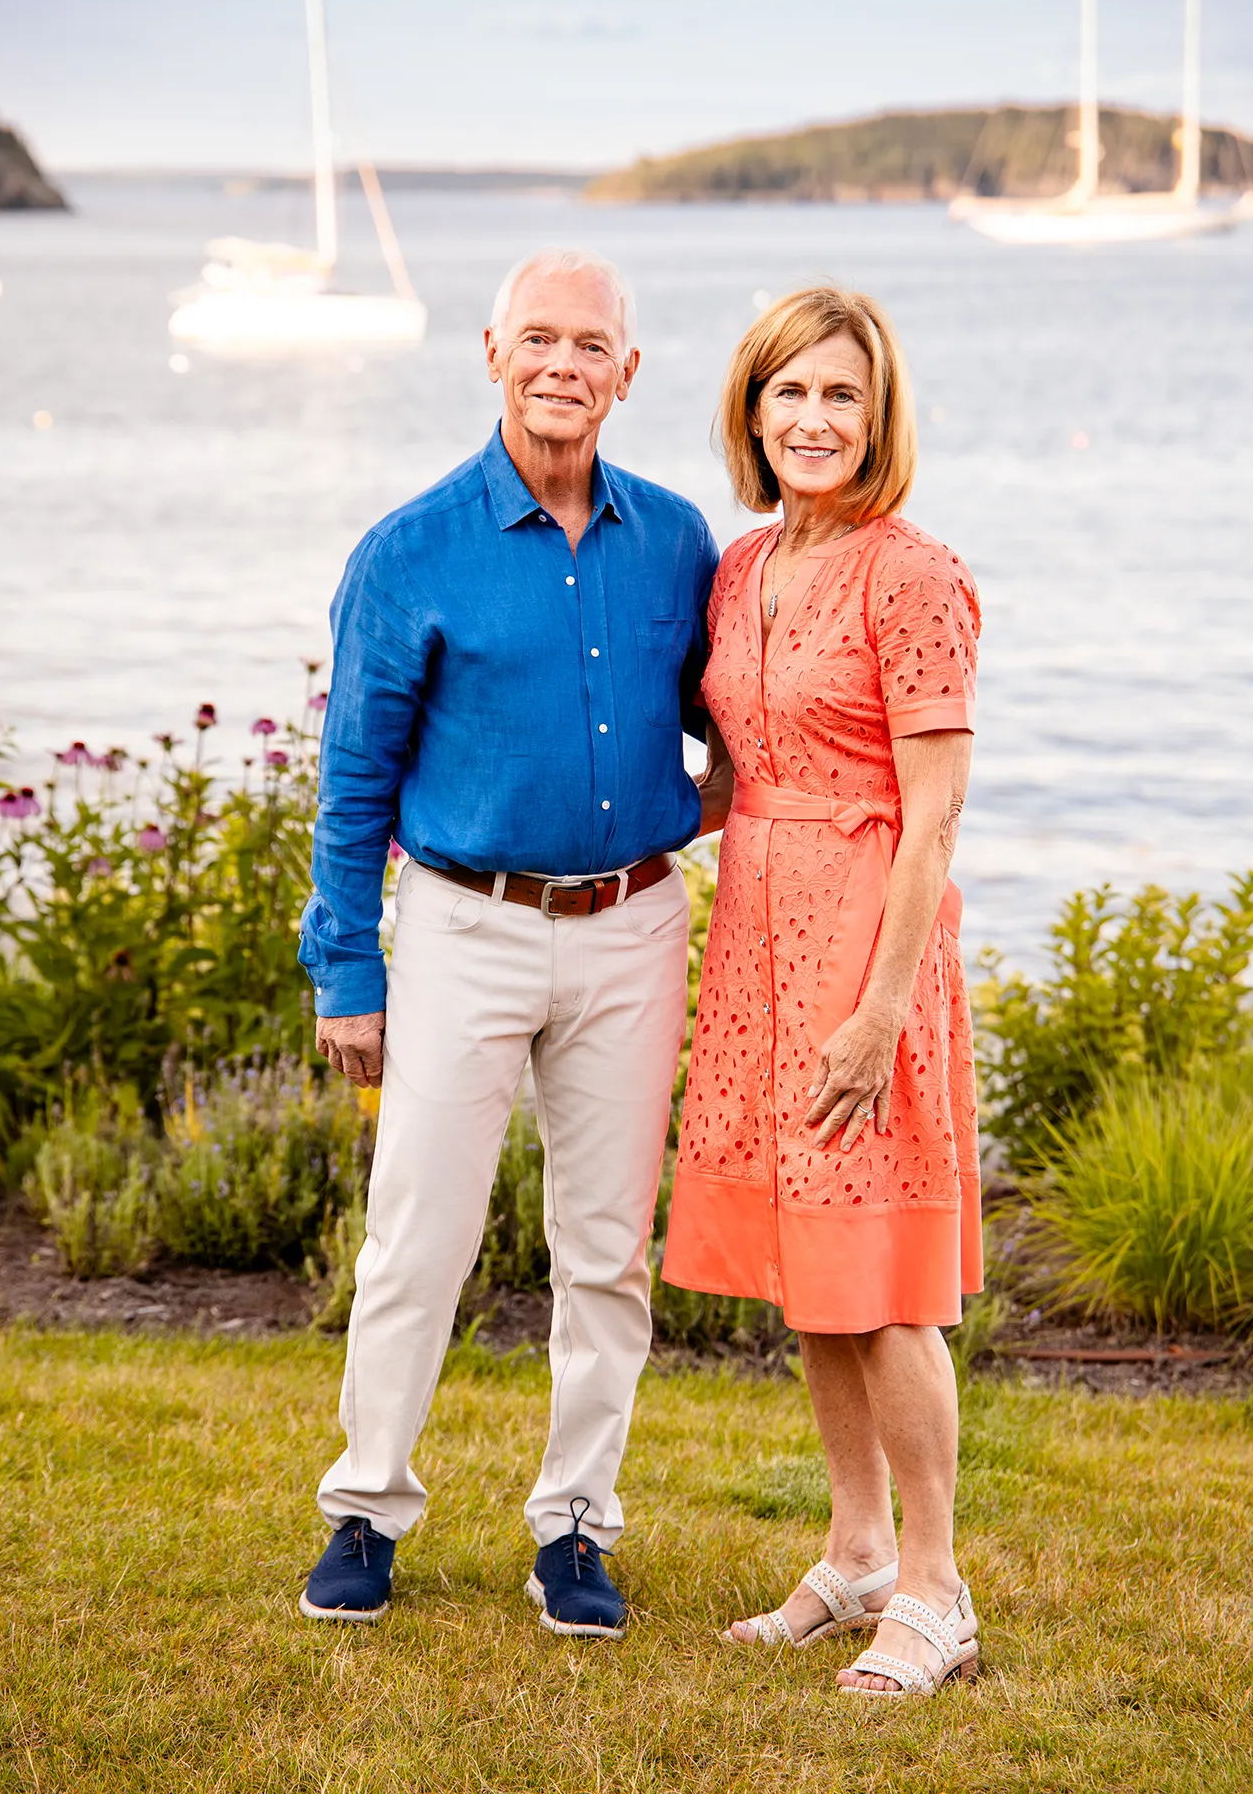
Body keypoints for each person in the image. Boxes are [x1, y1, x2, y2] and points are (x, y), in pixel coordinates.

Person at [298, 249, 719, 1637]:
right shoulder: (409, 550)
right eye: (538, 338)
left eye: (591, 344)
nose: (563, 365)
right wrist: (347, 970)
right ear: (490, 352)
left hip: (634, 928)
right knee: (419, 1235)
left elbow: (743, 720)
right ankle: (367, 1506)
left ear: (628, 371)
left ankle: (578, 1529)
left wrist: (702, 811)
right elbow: (354, 779)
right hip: (464, 930)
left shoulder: (677, 543)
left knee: (604, 1250)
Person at [666, 286, 983, 1698]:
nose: (812, 419)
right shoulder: (741, 569)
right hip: (754, 940)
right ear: (751, 408)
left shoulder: (912, 577)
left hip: (868, 947)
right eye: (787, 392)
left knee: (888, 1282)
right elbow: (733, 771)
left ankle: (935, 1588)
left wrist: (882, 1008)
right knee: (815, 1275)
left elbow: (934, 818)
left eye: (839, 395)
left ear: (878, 414)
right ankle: (853, 1553)